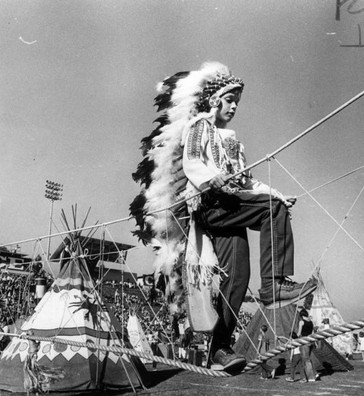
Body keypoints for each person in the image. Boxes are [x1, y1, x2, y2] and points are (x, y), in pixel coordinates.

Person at [130, 61, 317, 373]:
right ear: (215, 99)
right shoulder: (199, 127)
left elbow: (247, 182)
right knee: (273, 210)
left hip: (231, 208)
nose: (234, 107)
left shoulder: (233, 142)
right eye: (230, 100)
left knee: (238, 279)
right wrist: (209, 179)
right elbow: (191, 162)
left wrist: (278, 194)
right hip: (211, 204)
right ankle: (274, 285)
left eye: (237, 103)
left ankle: (219, 350)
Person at [297, 308, 317, 381]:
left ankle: (311, 377)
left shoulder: (301, 322)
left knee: (306, 360)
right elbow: (312, 332)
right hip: (311, 340)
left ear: (301, 315)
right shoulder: (311, 322)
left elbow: (299, 333)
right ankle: (315, 373)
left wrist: (293, 336)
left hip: (304, 341)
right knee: (309, 358)